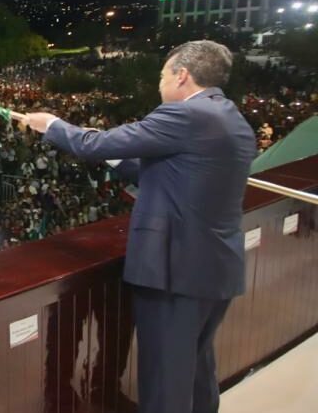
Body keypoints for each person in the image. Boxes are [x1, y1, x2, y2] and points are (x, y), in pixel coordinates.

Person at [21, 40, 256, 413]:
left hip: (174, 273)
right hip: (213, 268)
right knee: (195, 371)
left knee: (165, 381)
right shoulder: (228, 115)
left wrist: (51, 124)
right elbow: (163, 171)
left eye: (161, 75)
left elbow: (92, 143)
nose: (158, 84)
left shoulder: (186, 115)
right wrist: (112, 155)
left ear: (182, 75)